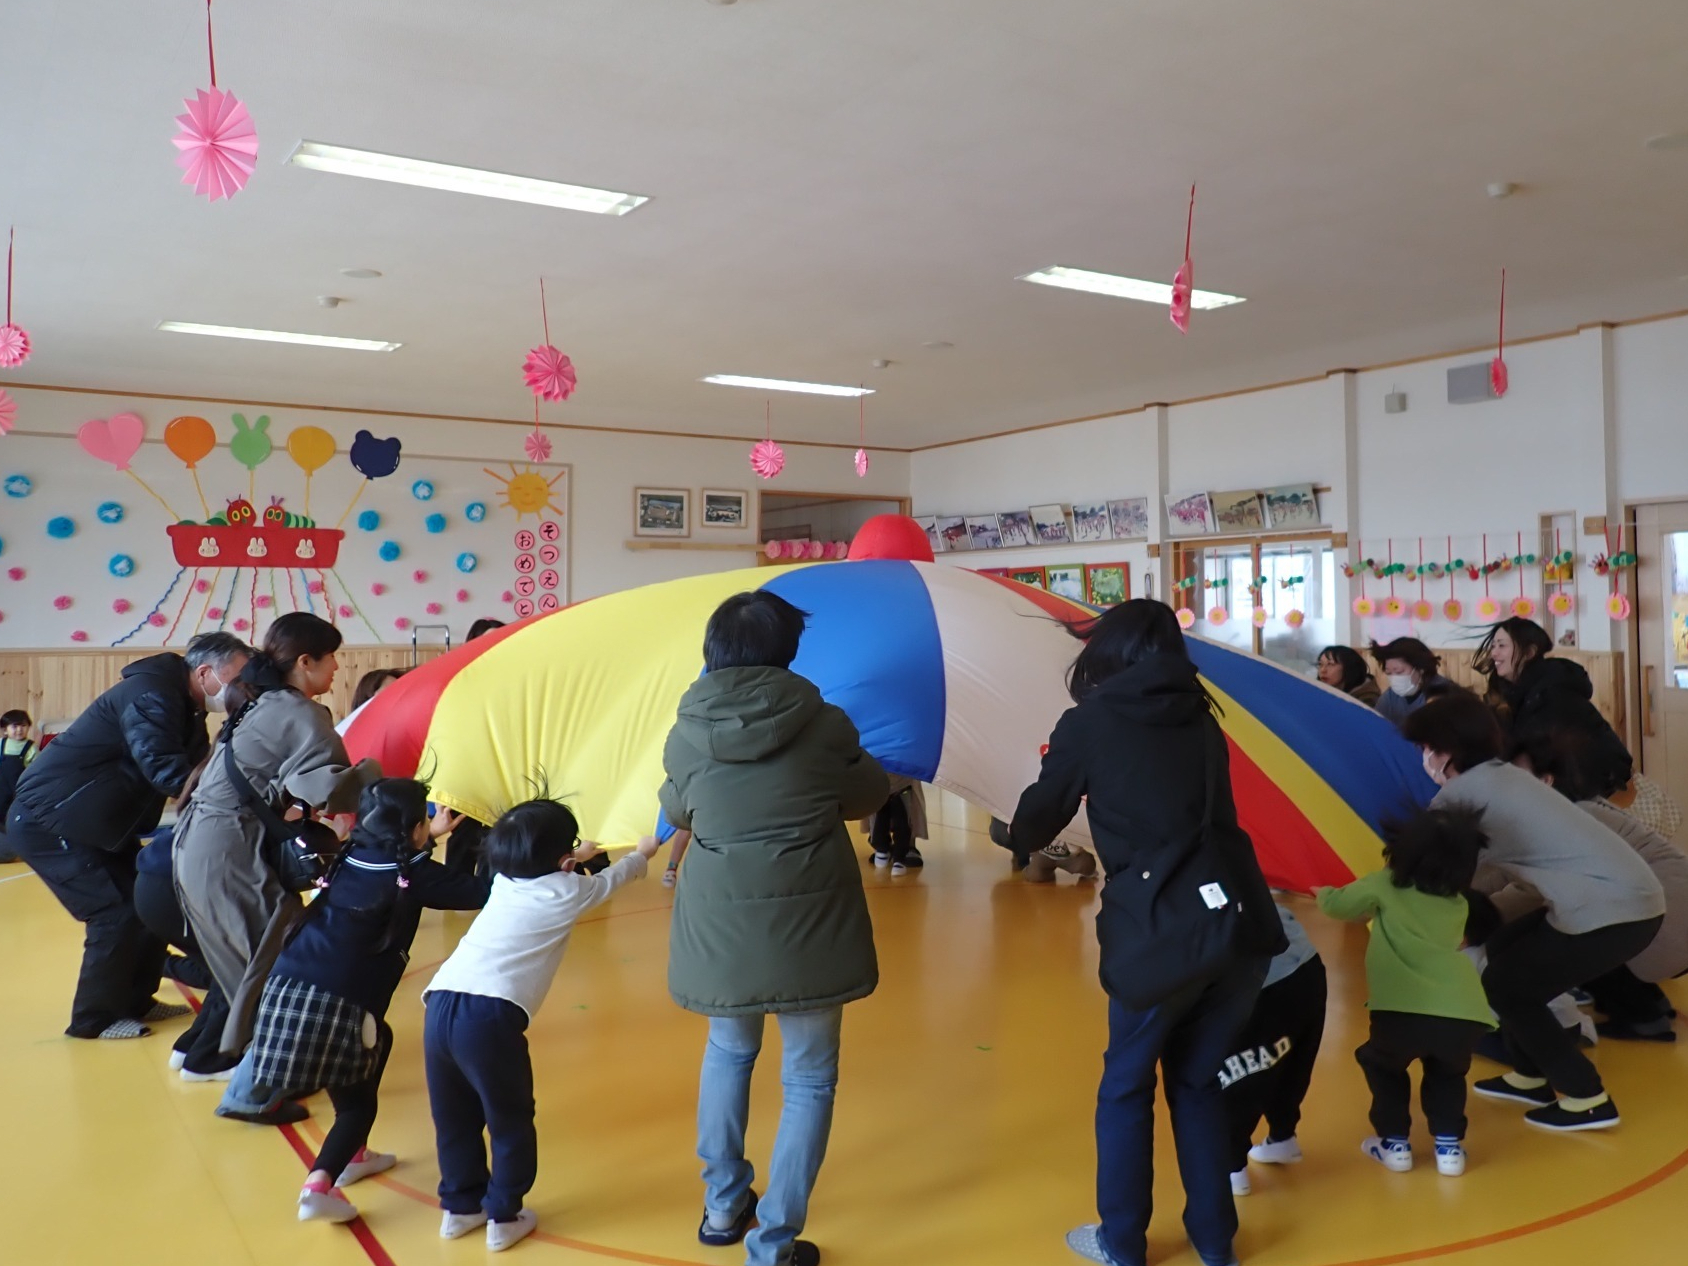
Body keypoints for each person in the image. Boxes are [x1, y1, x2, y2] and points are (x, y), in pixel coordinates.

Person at [1008, 599, 1285, 1266]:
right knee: (1197, 1082)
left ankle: (1123, 1241)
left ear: (1109, 649)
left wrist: (1025, 820)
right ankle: (1215, 1241)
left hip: (1158, 928)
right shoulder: (1203, 717)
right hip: (1237, 923)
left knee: (1127, 1086)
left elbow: (1035, 821)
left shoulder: (1090, 721)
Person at [660, 590, 889, 1266]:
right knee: (809, 1079)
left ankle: (722, 1205)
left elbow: (679, 809)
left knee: (728, 1053)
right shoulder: (825, 723)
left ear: (713, 649)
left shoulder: (684, 731)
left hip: (719, 923)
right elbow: (866, 796)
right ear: (787, 650)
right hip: (811, 923)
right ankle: (774, 1243)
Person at [1402, 694, 1664, 1131]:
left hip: (1610, 909)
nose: (1423, 757)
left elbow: (1429, 875)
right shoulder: (1501, 775)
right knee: (1504, 952)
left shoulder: (1462, 797)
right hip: (1627, 899)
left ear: (1446, 750)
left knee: (1509, 987)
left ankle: (1587, 1097)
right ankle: (1530, 1074)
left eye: (1426, 748)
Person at [244, 779, 490, 1224]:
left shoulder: (351, 855)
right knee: (357, 1105)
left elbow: (400, 859)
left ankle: (354, 1155)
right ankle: (319, 1184)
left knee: (376, 1045)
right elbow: (483, 893)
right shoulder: (415, 873)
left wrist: (427, 837)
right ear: (413, 827)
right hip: (339, 1004)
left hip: (285, 988)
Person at [423, 800, 660, 1251]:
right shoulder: (568, 891)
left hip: (440, 1002)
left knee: (454, 1116)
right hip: (489, 1017)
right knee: (509, 1117)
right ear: (564, 862)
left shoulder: (502, 880)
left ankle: (460, 1207)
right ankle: (504, 1215)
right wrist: (642, 854)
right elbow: (612, 879)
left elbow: (555, 869)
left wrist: (576, 856)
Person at [173, 612, 380, 1125]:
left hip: (204, 843)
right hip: (227, 848)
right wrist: (379, 770)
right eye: (332, 658)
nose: (337, 669)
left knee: (259, 961)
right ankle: (250, 1090)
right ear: (306, 662)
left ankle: (243, 1065)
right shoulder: (299, 712)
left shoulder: (261, 702)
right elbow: (327, 789)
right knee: (275, 964)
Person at [7, 633, 251, 1039]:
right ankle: (94, 1020)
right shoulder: (152, 694)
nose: (241, 685)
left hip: (97, 822)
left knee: (147, 902)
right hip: (51, 819)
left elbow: (198, 767)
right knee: (114, 911)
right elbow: (165, 767)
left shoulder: (183, 703)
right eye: (237, 677)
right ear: (205, 672)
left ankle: (137, 1000)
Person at [1316, 807, 1494, 1176]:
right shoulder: (1458, 903)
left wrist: (1323, 894)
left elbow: (1339, 906)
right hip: (1462, 1009)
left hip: (1400, 1007)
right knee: (1447, 1074)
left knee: (1384, 1066)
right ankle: (1449, 1149)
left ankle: (1394, 1143)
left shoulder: (1386, 885)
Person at [1508, 732, 1687, 1042]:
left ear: (1546, 780)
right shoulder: (1587, 807)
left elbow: (1533, 894)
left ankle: (1643, 1017)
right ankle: (1648, 999)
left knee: (1565, 934)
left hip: (1668, 932)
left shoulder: (1567, 821)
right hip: (1675, 925)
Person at [1222, 904, 1327, 1196]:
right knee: (1292, 1059)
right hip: (1304, 964)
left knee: (1239, 1072)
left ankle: (1231, 1167)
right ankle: (1283, 1136)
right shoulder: (1240, 872)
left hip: (1257, 981)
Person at [1476, 616, 1634, 800]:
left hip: (1600, 787)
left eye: (1502, 646)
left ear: (1529, 653)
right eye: (1493, 646)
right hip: (1562, 787)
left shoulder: (1552, 691)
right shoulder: (1508, 691)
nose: (1494, 653)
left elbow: (1539, 750)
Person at [132, 824, 238, 1079]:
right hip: (177, 890)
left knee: (224, 972)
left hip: (156, 884)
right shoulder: (255, 809)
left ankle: (189, 1047)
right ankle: (205, 1061)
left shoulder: (217, 802)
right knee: (237, 972)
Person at [1369, 638, 1457, 728]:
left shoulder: (1444, 694)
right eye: (1389, 673)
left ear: (1421, 668)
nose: (1394, 678)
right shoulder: (1390, 697)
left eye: (1399, 672)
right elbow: (1375, 726)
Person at [864, 776, 928, 874]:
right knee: (876, 803)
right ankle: (881, 845)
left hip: (905, 776)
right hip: (877, 777)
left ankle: (908, 846)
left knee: (907, 803)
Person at [0, 708, 38, 864]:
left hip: (18, 794)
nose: (19, 730)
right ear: (5, 730)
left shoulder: (30, 748)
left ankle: (13, 847)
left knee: (13, 821)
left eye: (23, 726)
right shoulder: (1, 744)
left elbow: (35, 771)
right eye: (14, 726)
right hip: (1, 792)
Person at [1315, 646, 1380, 706]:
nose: (1322, 670)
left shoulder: (1368, 700)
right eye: (1320, 664)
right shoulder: (1323, 692)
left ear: (1349, 668)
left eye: (1330, 664)